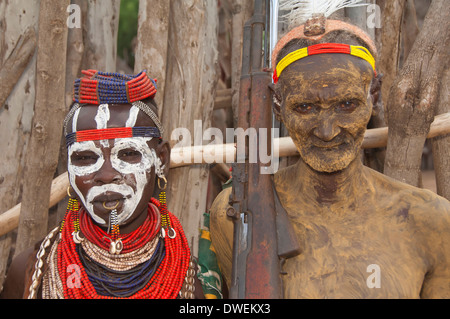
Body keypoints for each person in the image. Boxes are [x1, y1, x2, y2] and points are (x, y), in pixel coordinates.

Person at [209, 15, 450, 298]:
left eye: (347, 104)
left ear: (374, 94)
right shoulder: (237, 215)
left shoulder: (430, 220)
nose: (327, 131)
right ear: (278, 105)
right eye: (305, 107)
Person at [1, 70, 203, 299]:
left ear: (161, 160)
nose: (107, 175)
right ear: (68, 166)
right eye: (85, 157)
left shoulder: (184, 277)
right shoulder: (33, 272)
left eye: (128, 154)